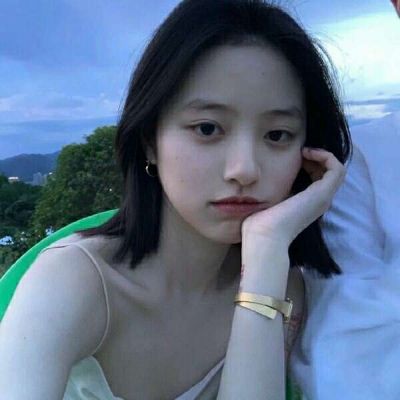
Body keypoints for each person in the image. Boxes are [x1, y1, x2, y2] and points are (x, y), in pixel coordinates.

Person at [0, 0, 350, 399]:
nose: (244, 169)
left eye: (277, 135)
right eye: (207, 128)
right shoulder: (77, 281)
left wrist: (267, 249)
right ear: (150, 140)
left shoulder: (282, 283)